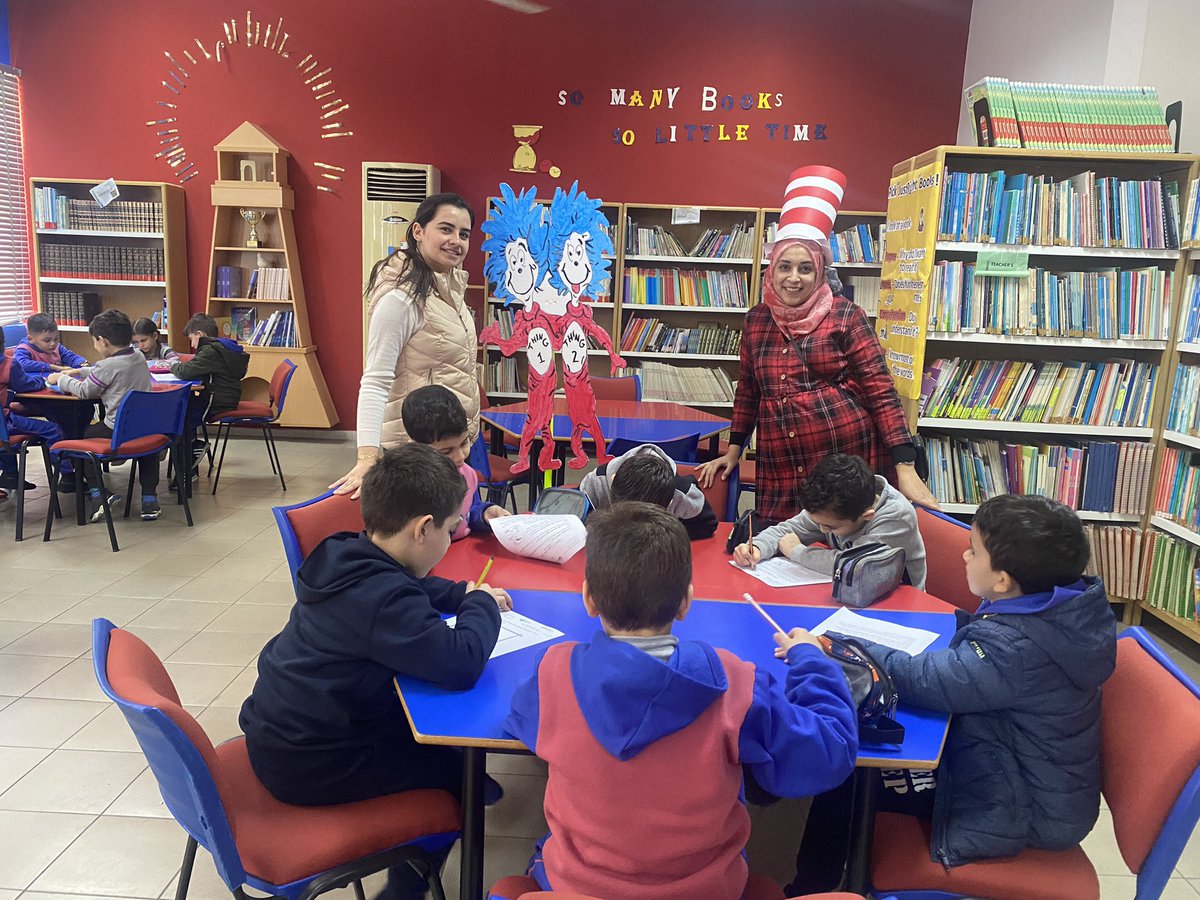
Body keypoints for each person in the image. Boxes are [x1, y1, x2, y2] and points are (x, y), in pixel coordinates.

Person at [504, 501, 858, 900]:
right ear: (686, 602)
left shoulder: (551, 674)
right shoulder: (733, 683)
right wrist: (812, 660)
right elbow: (830, 751)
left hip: (576, 887)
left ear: (588, 598)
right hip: (708, 891)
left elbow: (522, 719)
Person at [785, 494, 1116, 892]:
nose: (964, 556)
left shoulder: (1016, 649)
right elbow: (963, 673)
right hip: (1034, 780)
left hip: (1022, 808)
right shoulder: (1061, 613)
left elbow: (925, 680)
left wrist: (833, 643)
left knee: (846, 773)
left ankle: (810, 889)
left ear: (1003, 580)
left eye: (973, 551)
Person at [239, 443, 510, 900]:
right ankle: (404, 888)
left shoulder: (347, 553)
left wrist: (457, 593)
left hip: (283, 734)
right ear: (423, 529)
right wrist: (480, 602)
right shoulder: (384, 601)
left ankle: (469, 783)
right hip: (314, 765)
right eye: (450, 529)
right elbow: (461, 661)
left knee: (449, 756)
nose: (451, 539)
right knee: (457, 780)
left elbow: (405, 585)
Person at [696, 166, 936, 524]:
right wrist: (734, 450)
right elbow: (748, 391)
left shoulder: (846, 316)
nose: (793, 278)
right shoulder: (756, 320)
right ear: (771, 270)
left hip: (845, 457)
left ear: (820, 272)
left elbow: (880, 392)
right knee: (783, 542)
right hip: (781, 462)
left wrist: (905, 467)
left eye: (805, 268)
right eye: (785, 267)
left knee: (842, 542)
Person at [332, 193, 478, 499]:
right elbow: (375, 380)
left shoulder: (449, 289)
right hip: (417, 453)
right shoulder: (401, 298)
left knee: (461, 521)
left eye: (464, 234)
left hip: (450, 446)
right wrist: (367, 456)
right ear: (418, 231)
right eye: (446, 229)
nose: (456, 241)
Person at [733, 452, 926, 589]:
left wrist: (796, 551)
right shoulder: (832, 506)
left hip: (899, 605)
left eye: (829, 527)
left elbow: (855, 566)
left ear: (867, 516)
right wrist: (757, 547)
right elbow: (788, 529)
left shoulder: (896, 517)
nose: (822, 530)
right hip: (849, 592)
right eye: (819, 524)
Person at [46, 310, 162, 521]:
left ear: (102, 340)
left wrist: (61, 379)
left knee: (83, 439)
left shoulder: (107, 366)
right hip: (145, 426)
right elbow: (106, 373)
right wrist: (78, 371)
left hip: (117, 429)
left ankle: (98, 494)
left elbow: (84, 391)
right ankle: (149, 499)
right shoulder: (138, 356)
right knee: (148, 450)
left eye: (94, 341)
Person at [400, 385, 511, 540]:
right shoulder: (406, 486)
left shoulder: (467, 474)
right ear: (416, 447)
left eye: (464, 443)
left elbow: (469, 512)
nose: (460, 457)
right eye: (446, 451)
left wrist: (484, 513)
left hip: (463, 550)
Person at [578, 443, 718, 539]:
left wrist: (663, 535)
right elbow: (577, 518)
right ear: (613, 480)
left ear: (670, 503)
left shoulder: (681, 495)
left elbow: (708, 525)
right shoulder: (597, 481)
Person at [0, 327, 59, 496]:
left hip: (3, 421)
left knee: (8, 419)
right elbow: (26, 385)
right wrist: (42, 381)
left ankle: (10, 474)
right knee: (54, 429)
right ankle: (67, 475)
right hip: (4, 425)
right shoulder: (8, 364)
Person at [169, 313, 248, 418]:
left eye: (191, 339)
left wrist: (172, 365)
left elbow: (184, 372)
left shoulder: (210, 351)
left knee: (179, 410)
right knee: (184, 405)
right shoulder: (221, 347)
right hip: (227, 400)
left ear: (199, 334)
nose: (192, 345)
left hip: (216, 403)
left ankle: (189, 429)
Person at [12, 312, 89, 375]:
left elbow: (70, 357)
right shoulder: (24, 349)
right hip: (34, 386)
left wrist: (82, 363)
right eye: (47, 340)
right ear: (31, 339)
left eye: (56, 339)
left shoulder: (57, 347)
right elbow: (21, 364)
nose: (53, 343)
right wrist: (54, 367)